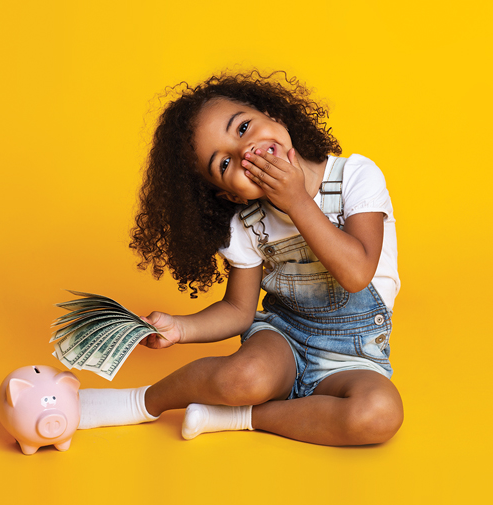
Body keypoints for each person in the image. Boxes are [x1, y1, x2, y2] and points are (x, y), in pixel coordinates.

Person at [77, 70, 403, 446]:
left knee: (379, 413)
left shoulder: (355, 177)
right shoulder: (248, 222)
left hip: (355, 356)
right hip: (284, 341)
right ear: (231, 196)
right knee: (243, 378)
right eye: (225, 165)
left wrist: (296, 199)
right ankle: (142, 402)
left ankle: (240, 418)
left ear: (275, 116)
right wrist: (180, 328)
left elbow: (357, 272)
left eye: (244, 127)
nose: (245, 153)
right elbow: (238, 311)